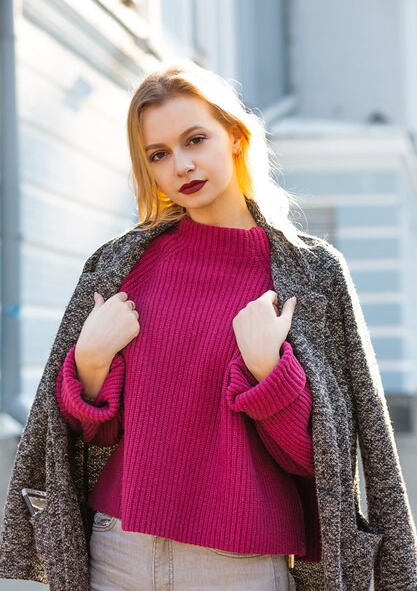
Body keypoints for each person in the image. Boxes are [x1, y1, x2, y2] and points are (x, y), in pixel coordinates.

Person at [0, 59, 416, 591]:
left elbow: (320, 460)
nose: (182, 165)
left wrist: (270, 374)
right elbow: (90, 435)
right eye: (160, 154)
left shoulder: (311, 274)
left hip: (238, 566)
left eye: (196, 139)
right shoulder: (121, 265)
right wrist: (90, 363)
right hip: (117, 550)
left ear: (236, 137)